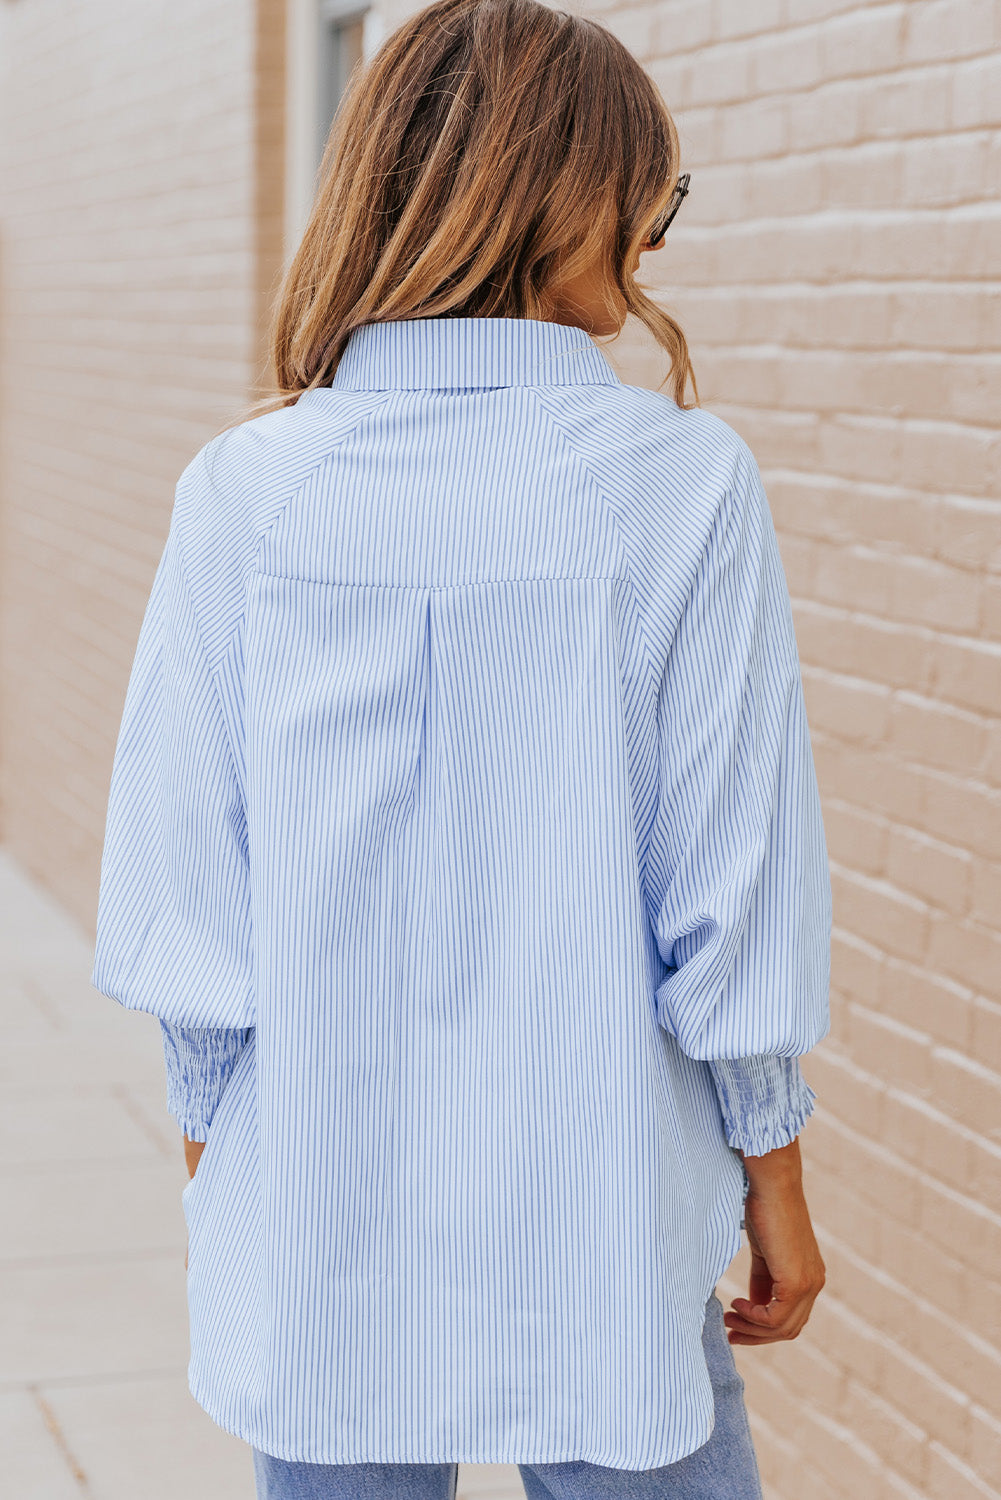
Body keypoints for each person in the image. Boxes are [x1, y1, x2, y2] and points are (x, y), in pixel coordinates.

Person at [89, 0, 832, 1495]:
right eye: (652, 198)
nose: (654, 241)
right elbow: (729, 897)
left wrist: (232, 1170)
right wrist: (776, 1182)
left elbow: (183, 898)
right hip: (602, 1215)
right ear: (566, 198)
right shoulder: (680, 488)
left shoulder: (247, 492)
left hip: (319, 1223)